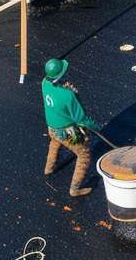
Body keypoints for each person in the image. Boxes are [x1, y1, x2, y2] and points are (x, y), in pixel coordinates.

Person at [41, 58, 101, 197]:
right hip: (67, 133)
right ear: (59, 78)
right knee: (84, 155)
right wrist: (96, 128)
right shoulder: (68, 95)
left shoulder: (44, 83)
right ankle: (75, 189)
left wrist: (66, 90)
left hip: (52, 128)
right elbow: (81, 119)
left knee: (55, 143)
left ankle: (48, 169)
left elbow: (57, 96)